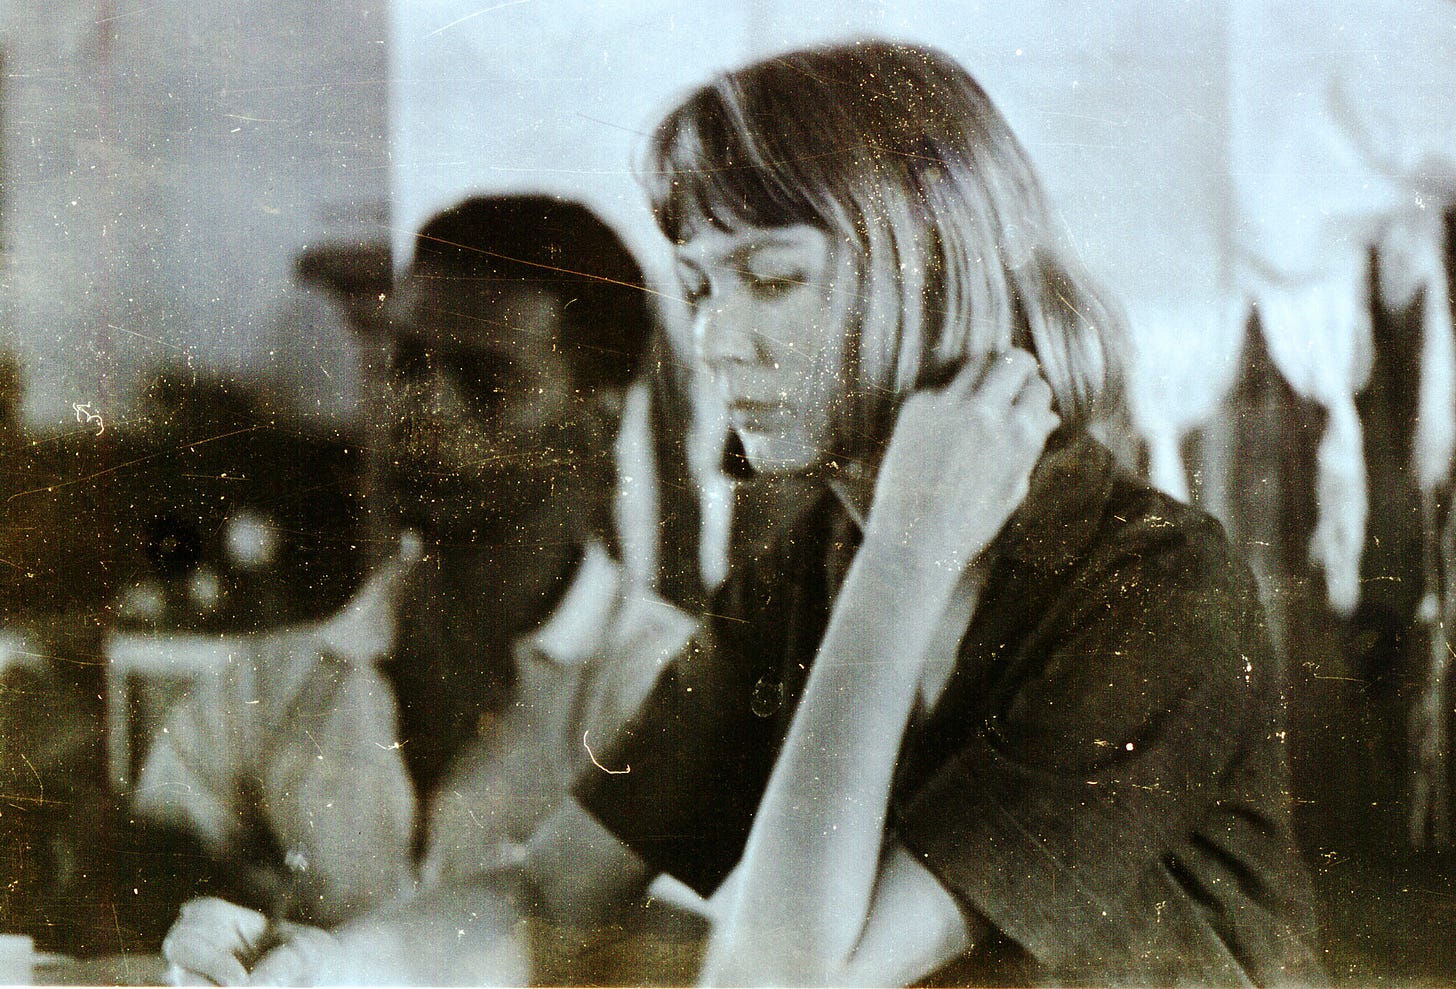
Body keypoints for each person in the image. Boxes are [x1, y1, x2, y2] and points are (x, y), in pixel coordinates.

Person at [166, 41, 1323, 986]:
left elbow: (779, 979)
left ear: (928, 273)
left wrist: (907, 553)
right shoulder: (814, 560)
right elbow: (550, 888)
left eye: (771, 280)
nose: (719, 342)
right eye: (703, 285)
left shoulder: (1155, 588)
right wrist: (330, 963)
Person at [148, 195, 702, 977]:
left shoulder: (669, 690)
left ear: (596, 421)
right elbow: (136, 900)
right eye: (407, 363)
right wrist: (197, 931)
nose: (421, 408)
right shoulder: (265, 691)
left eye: (485, 379)